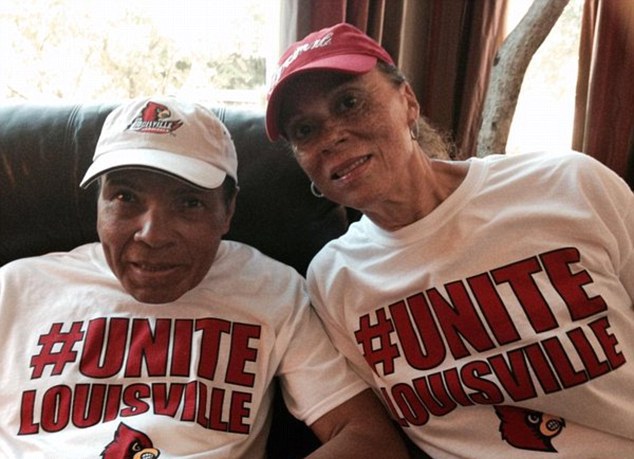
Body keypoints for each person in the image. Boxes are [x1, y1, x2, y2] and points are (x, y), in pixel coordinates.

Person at [265, 22, 634, 459]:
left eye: (349, 102)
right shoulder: (333, 280)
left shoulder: (568, 184)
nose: (330, 137)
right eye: (304, 130)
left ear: (408, 102)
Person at [0, 96, 411, 458]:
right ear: (98, 203)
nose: (152, 234)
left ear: (227, 211)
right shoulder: (16, 288)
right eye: (125, 197)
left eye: (189, 203)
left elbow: (369, 440)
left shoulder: (272, 289)